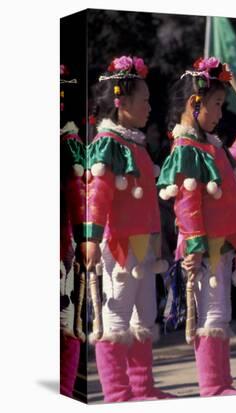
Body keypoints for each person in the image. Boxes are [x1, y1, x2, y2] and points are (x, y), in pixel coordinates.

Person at [157, 56, 236, 396]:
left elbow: (230, 163)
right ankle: (213, 385)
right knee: (212, 313)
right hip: (203, 247)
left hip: (219, 243)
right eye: (217, 105)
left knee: (219, 312)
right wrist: (193, 244)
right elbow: (188, 202)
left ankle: (221, 383)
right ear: (195, 105)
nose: (221, 114)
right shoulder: (187, 149)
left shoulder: (208, 146)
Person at [83, 56, 173, 402]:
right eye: (145, 100)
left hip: (142, 243)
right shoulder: (108, 143)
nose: (150, 107)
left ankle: (142, 387)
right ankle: (117, 393)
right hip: (118, 242)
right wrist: (90, 239)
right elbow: (97, 195)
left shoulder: (134, 143)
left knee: (144, 314)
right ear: (121, 103)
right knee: (116, 315)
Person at [59, 64, 86, 398]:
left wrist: (83, 240)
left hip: (61, 250)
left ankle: (64, 392)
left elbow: (78, 196)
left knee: (66, 326)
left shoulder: (67, 141)